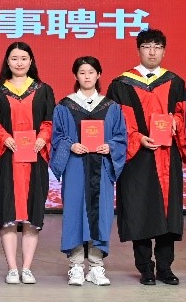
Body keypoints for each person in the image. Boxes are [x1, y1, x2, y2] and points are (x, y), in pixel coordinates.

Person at [108, 28, 186, 285]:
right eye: (146, 46)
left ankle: (165, 268)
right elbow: (117, 122)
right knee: (140, 209)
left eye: (157, 47)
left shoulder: (175, 82)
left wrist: (176, 122)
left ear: (164, 51)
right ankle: (145, 268)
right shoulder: (122, 84)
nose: (152, 52)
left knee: (167, 213)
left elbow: (182, 114)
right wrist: (137, 137)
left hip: (167, 155)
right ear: (138, 50)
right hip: (138, 157)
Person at [49, 56, 128, 286]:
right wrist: (70, 145)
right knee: (75, 211)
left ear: (98, 75)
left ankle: (96, 266)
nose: (87, 76)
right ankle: (75, 266)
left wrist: (110, 146)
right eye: (82, 72)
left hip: (101, 166)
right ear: (75, 75)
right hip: (75, 166)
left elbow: (121, 137)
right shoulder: (65, 106)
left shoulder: (111, 107)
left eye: (91, 72)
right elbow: (57, 137)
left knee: (101, 212)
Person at [0, 42, 55, 285]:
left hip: (35, 158)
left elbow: (50, 120)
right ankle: (12, 268)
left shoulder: (43, 90)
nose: (19, 62)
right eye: (14, 58)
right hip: (7, 158)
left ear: (31, 61)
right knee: (8, 212)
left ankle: (27, 267)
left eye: (24, 58)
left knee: (32, 214)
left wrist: (42, 137)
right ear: (7, 61)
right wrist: (4, 137)